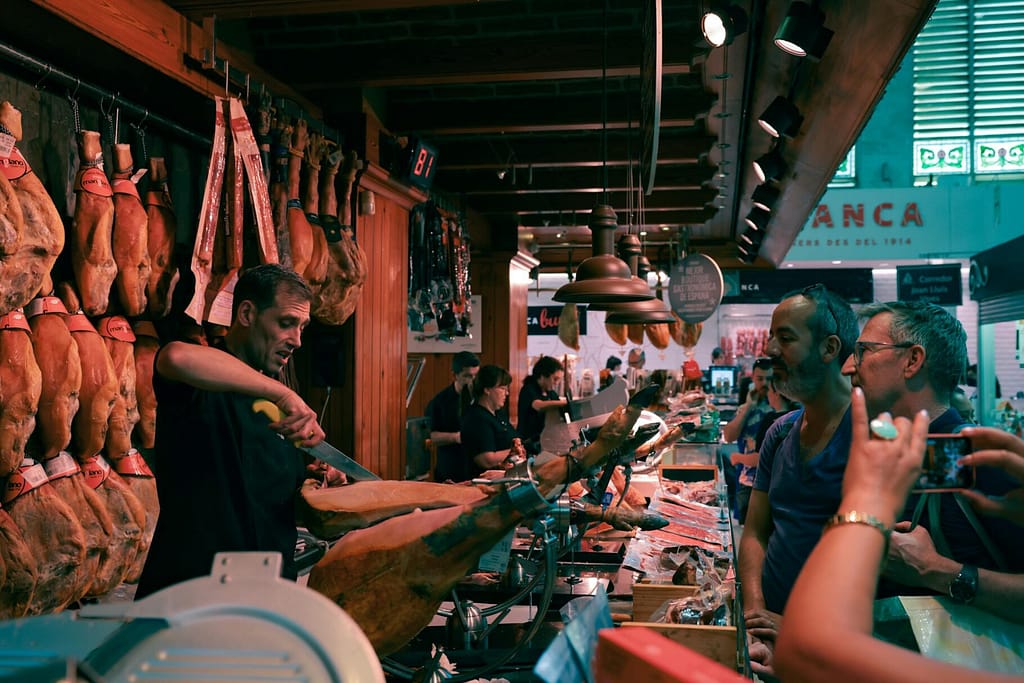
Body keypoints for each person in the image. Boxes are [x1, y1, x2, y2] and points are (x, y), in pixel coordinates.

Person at [775, 388, 1020, 683]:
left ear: (912, 364)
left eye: (864, 359)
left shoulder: (981, 465)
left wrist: (868, 502)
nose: (849, 366)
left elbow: (810, 656)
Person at [136, 264, 326, 599]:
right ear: (247, 314)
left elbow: (271, 501)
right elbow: (174, 357)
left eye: (302, 327)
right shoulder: (201, 382)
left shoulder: (280, 409)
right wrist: (281, 393)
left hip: (264, 597)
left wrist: (316, 479)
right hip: (189, 596)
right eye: (286, 323)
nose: (297, 340)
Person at [841, 300, 1024, 621]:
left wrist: (936, 570)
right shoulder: (886, 452)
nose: (848, 367)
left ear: (912, 360)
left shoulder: (973, 456)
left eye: (864, 351)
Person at [738, 283, 858, 674]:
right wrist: (755, 615)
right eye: (771, 336)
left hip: (840, 656)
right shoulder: (780, 432)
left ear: (829, 348)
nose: (770, 350)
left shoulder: (873, 436)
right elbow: (755, 533)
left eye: (785, 338)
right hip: (771, 643)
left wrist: (804, 632)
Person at [729, 376, 798, 523]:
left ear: (777, 393)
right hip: (786, 490)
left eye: (769, 389)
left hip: (758, 485)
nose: (766, 389)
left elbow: (760, 458)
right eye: (759, 379)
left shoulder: (772, 420)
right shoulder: (799, 417)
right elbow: (729, 435)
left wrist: (737, 457)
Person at [722, 357, 774, 522]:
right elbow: (728, 436)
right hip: (748, 481)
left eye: (769, 379)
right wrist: (748, 408)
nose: (764, 383)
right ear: (753, 379)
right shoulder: (746, 408)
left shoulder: (780, 407)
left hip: (774, 481)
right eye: (760, 379)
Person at [426, 351, 480, 482]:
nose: (472, 381)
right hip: (451, 469)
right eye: (467, 376)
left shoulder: (483, 398)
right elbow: (430, 436)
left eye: (476, 375)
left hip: (478, 469)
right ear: (454, 375)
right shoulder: (439, 402)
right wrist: (456, 437)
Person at [461, 365, 520, 476]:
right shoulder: (477, 418)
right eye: (502, 388)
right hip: (484, 481)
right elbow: (486, 459)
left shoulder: (498, 414)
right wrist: (516, 450)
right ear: (487, 389)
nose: (507, 393)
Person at [516, 356, 568, 454]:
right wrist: (565, 402)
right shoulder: (528, 389)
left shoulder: (551, 393)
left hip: (546, 441)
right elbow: (538, 405)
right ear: (543, 376)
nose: (556, 383)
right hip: (528, 443)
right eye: (555, 379)